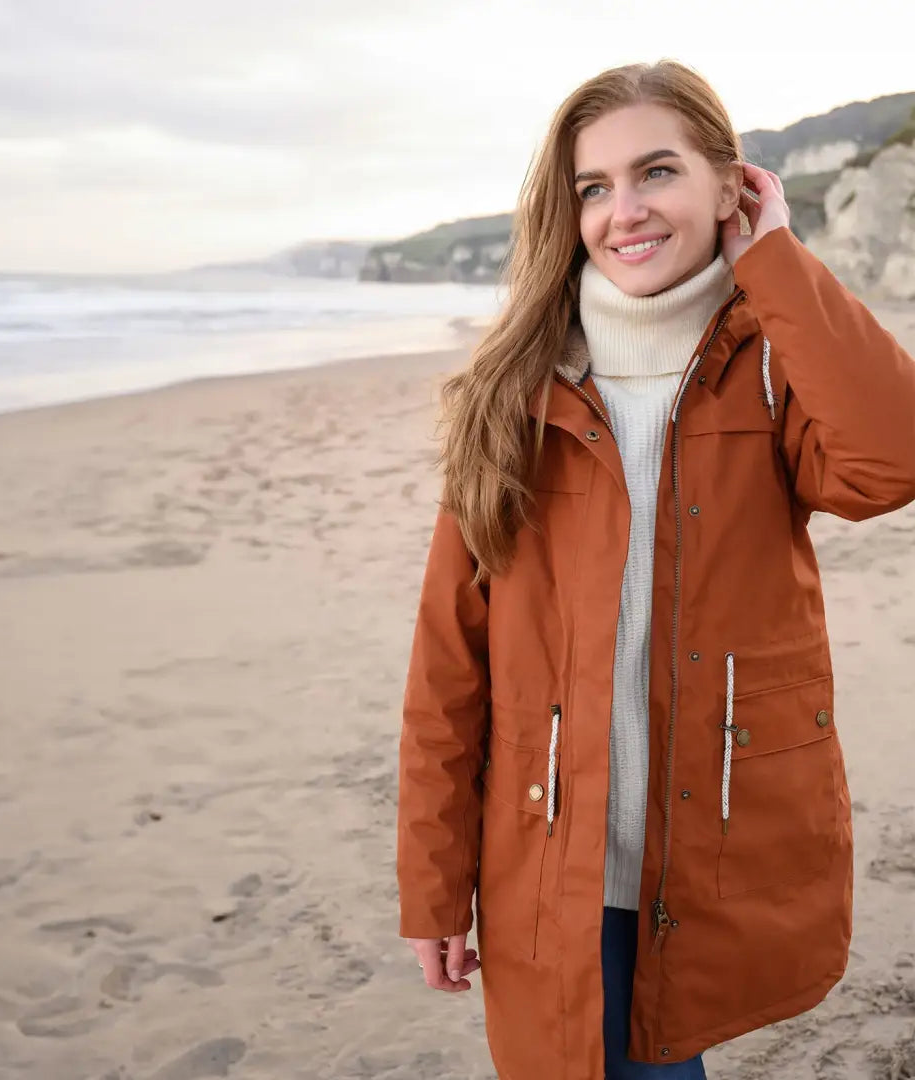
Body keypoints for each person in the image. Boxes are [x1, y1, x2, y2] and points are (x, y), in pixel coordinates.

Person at [395, 59, 915, 1079]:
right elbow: (447, 670)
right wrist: (432, 884)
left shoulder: (772, 366)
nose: (623, 212)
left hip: (710, 851)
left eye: (658, 173)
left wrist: (780, 267)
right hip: (550, 857)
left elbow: (891, 459)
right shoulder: (513, 396)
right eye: (594, 188)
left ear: (734, 186)